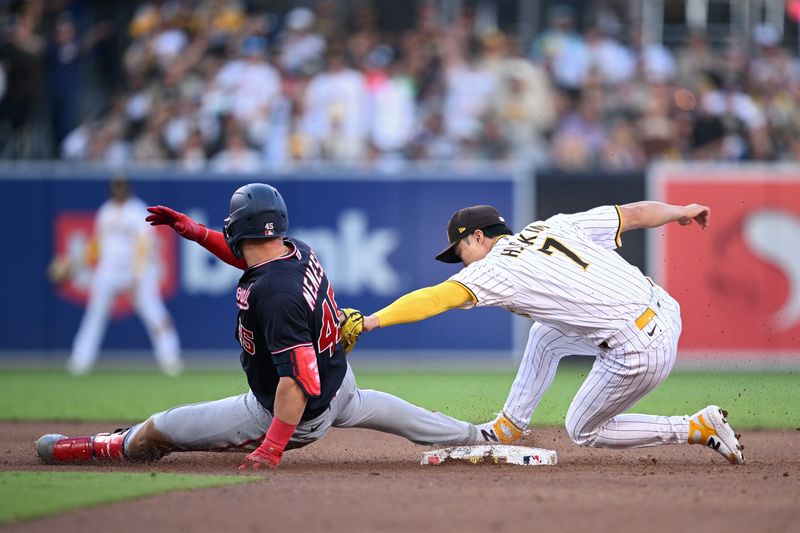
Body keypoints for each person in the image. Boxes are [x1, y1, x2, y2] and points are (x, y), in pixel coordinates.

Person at [36, 184, 478, 469]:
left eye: (229, 224)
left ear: (242, 227)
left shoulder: (275, 294)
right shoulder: (297, 249)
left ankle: (100, 447)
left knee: (160, 428)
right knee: (399, 415)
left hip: (290, 411)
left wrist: (271, 447)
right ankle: (475, 435)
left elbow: (298, 378)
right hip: (341, 386)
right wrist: (197, 233)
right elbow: (248, 256)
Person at [356, 202, 745, 464]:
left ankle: (693, 427)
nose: (459, 262)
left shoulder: (495, 268)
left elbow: (436, 298)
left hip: (639, 348)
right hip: (664, 309)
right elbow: (635, 213)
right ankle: (509, 426)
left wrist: (374, 321)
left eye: (459, 252)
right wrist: (682, 211)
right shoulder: (555, 225)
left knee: (583, 429)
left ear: (478, 237)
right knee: (545, 334)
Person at [67, 176, 183, 376]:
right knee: (94, 315)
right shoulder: (105, 211)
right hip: (108, 270)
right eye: (116, 189)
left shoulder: (137, 210)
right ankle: (80, 360)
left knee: (155, 314)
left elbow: (145, 243)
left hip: (136, 270)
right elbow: (97, 245)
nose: (119, 192)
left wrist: (138, 273)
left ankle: (170, 358)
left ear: (128, 189)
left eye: (122, 189)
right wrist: (76, 264)